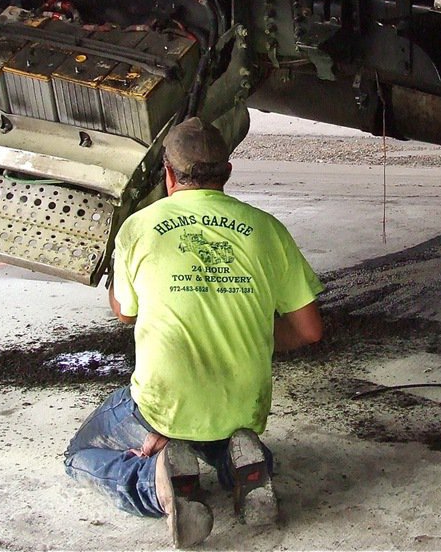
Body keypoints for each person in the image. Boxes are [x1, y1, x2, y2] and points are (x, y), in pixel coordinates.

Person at [64, 116, 324, 548]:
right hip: (241, 404)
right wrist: (253, 331)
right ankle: (244, 464)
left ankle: (158, 484)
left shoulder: (139, 227)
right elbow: (311, 330)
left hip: (165, 402)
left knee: (80, 457)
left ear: (168, 173)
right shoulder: (267, 229)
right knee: (223, 429)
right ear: (227, 172)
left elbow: (125, 314)